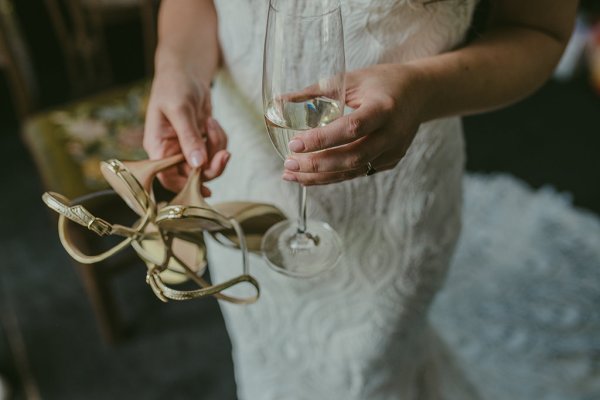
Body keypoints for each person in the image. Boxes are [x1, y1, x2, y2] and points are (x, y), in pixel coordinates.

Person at [143, 0, 577, 398]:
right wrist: (177, 68)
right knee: (266, 361)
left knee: (371, 376)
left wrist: (423, 89)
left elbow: (539, 29)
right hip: (244, 178)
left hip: (394, 194)